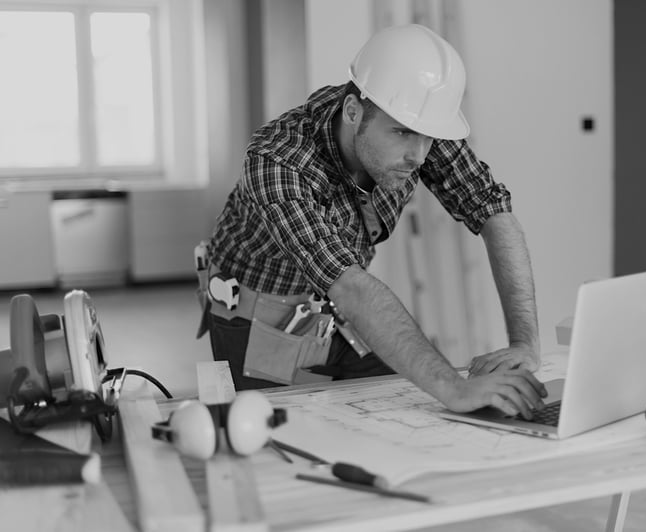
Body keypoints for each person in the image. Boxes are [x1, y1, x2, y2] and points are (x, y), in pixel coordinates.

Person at [198, 23, 546, 419]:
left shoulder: (414, 124)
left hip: (336, 312)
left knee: (403, 419)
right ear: (352, 112)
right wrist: (453, 386)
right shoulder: (278, 162)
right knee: (275, 441)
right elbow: (349, 285)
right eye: (402, 134)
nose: (418, 155)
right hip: (258, 316)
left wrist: (524, 344)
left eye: (428, 138)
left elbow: (494, 212)